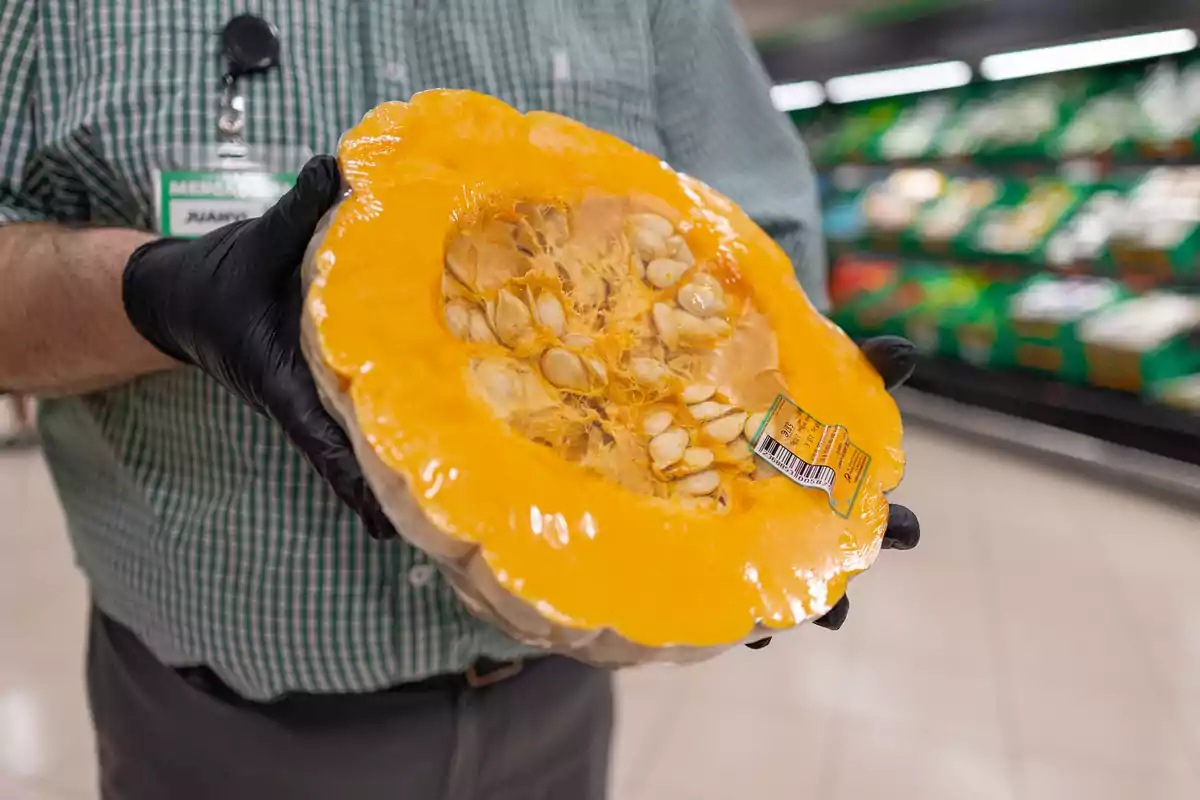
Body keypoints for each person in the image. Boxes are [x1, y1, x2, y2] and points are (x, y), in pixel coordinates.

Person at [0, 2, 920, 798]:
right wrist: (149, 297)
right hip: (212, 732)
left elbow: (764, 234)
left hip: (554, 710)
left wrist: (785, 454)